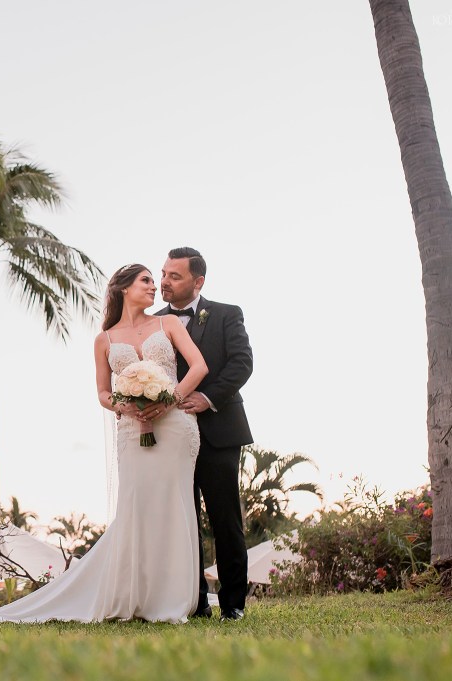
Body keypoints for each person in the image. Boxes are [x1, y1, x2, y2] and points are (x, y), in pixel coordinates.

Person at [0, 264, 208, 623]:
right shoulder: (105, 340)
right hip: (133, 430)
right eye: (146, 280)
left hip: (175, 427)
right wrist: (124, 404)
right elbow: (101, 391)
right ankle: (136, 596)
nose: (154, 286)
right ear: (123, 288)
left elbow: (198, 367)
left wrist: (170, 398)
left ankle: (172, 599)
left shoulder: (169, 324)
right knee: (137, 506)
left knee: (173, 503)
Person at [156, 247, 253, 621]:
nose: (164, 281)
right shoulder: (155, 322)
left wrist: (208, 397)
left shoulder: (227, 314)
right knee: (183, 520)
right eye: (163, 273)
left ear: (198, 282)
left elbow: (242, 363)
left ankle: (233, 604)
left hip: (219, 431)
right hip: (171, 436)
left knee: (225, 520)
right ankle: (194, 602)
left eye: (174, 276)